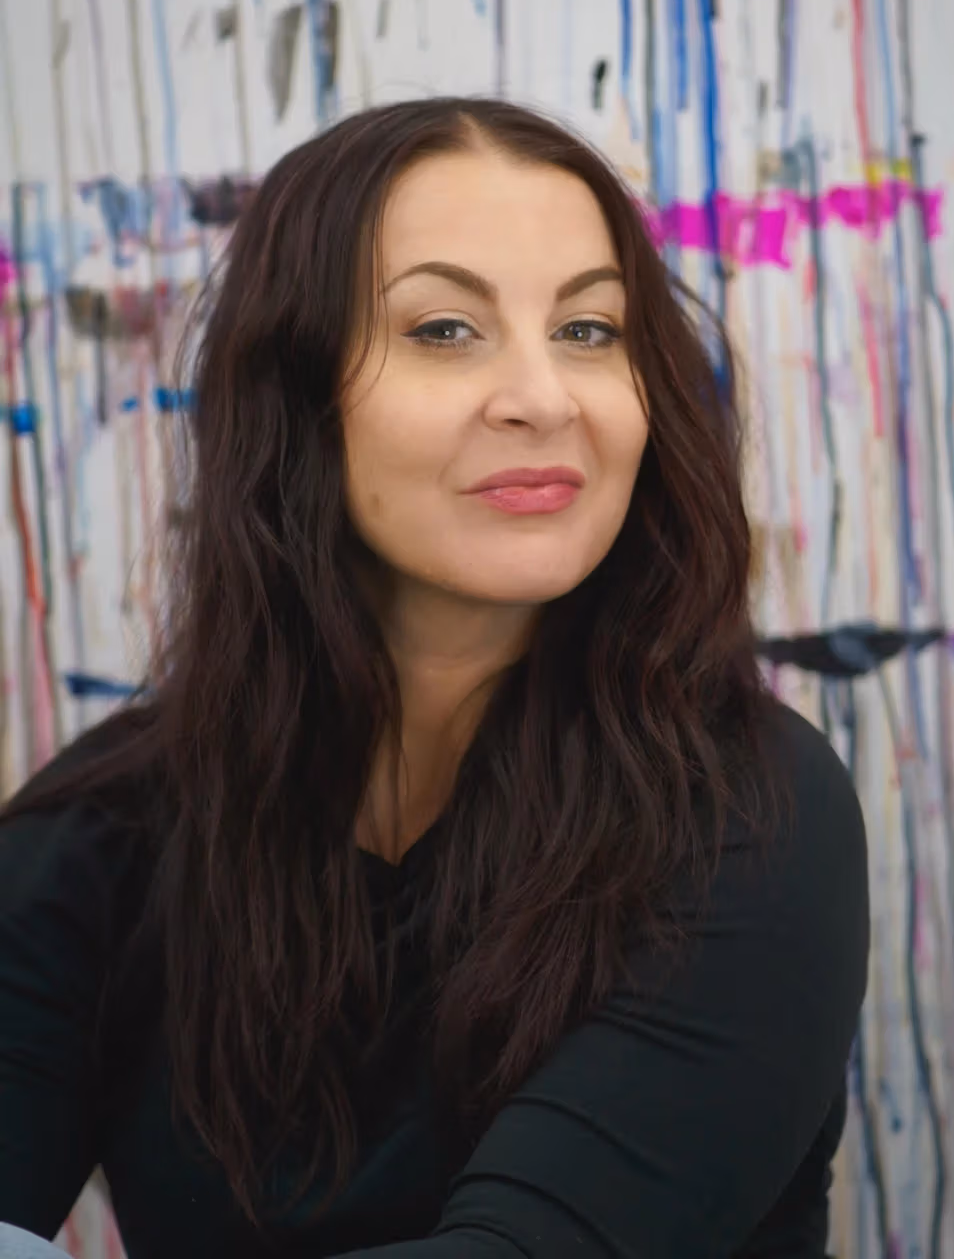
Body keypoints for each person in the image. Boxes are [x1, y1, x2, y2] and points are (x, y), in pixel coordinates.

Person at [0, 97, 869, 1258]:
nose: (543, 396)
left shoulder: (749, 812)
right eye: (445, 329)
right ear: (295, 394)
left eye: (588, 330)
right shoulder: (104, 824)